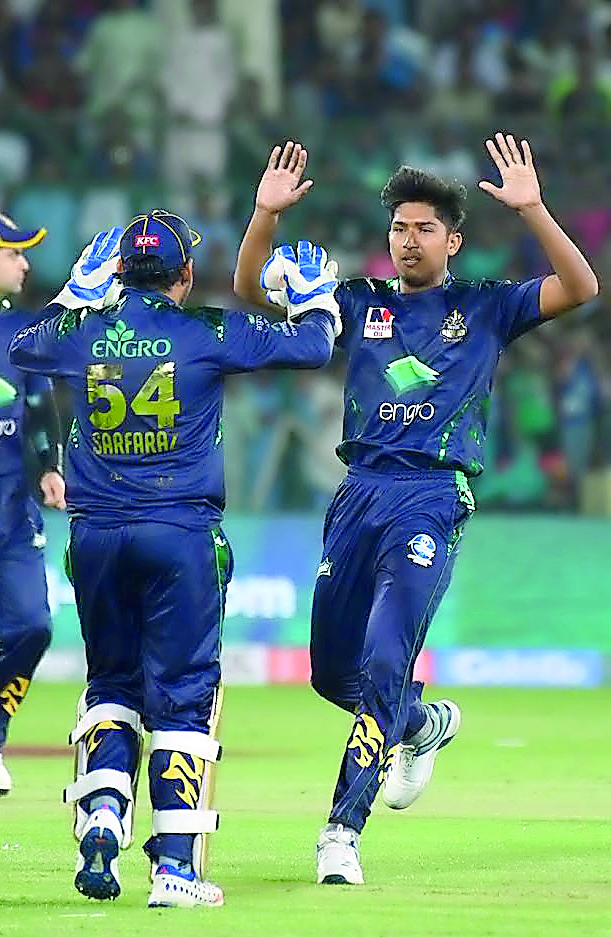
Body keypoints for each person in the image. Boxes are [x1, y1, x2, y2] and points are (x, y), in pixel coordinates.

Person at [233, 135, 599, 885]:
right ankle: (421, 723)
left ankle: (341, 830)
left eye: (424, 228)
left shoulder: (487, 307)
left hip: (431, 496)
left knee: (381, 661)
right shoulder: (356, 304)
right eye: (399, 227)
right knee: (332, 674)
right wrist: (264, 218)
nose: (409, 239)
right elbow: (251, 291)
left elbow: (582, 285)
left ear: (453, 240)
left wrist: (532, 209)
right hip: (358, 491)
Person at [9, 210, 340, 908]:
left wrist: (75, 293)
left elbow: (23, 348)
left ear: (119, 271)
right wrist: (315, 294)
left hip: (95, 537)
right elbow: (311, 347)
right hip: (180, 535)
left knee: (111, 684)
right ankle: (176, 870)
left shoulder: (80, 331)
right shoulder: (208, 331)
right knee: (185, 694)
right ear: (186, 275)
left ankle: (102, 812)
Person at [0, 211, 65, 796]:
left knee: (32, 626)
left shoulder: (22, 334)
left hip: (12, 507)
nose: (24, 264)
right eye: (13, 253)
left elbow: (39, 406)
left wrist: (51, 467)